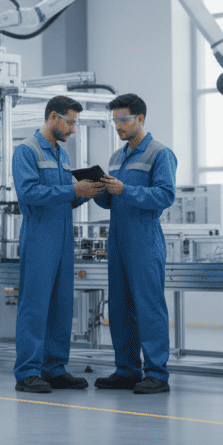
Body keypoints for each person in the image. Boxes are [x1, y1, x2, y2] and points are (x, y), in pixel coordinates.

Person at [13, 96, 104, 393]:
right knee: (35, 305)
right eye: (71, 122)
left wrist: (85, 193)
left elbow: (65, 196)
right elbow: (29, 193)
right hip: (39, 236)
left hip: (64, 236)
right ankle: (28, 371)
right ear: (53, 117)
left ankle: (54, 368)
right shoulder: (26, 150)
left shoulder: (62, 154)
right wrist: (72, 190)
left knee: (61, 305)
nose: (73, 129)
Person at [93, 93, 177, 394]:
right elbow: (112, 200)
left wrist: (124, 190)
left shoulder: (160, 153)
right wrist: (99, 191)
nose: (118, 126)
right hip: (117, 238)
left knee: (148, 306)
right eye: (114, 120)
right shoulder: (117, 157)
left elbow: (165, 195)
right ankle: (127, 370)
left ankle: (156, 373)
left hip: (144, 239)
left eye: (123, 120)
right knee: (119, 306)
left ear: (140, 119)